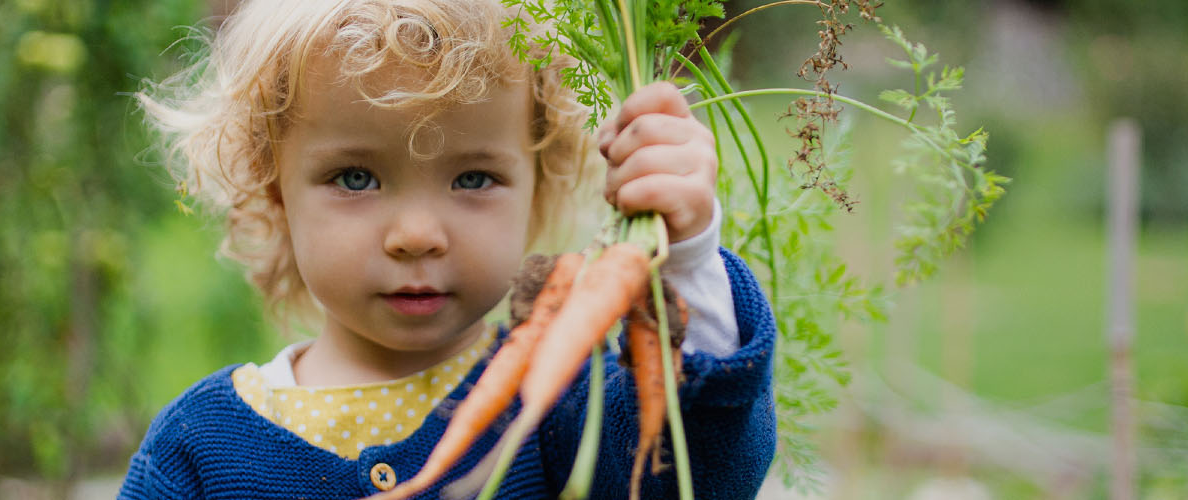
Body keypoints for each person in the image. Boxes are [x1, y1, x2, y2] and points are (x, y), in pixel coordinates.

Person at [119, 0, 777, 498]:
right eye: (356, 178)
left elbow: (703, 470)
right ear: (274, 189)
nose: (417, 235)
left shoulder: (563, 407)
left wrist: (687, 250)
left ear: (538, 183)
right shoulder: (199, 447)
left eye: (473, 179)